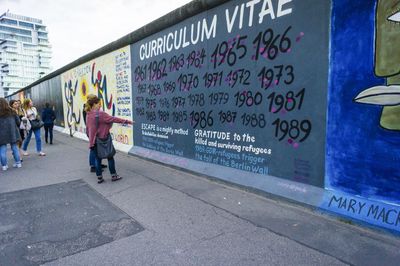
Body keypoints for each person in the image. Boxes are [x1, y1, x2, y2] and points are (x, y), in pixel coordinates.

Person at [85, 95, 133, 183]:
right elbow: (114, 119)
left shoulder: (88, 115)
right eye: (98, 104)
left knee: (97, 159)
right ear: (94, 104)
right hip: (104, 140)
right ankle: (114, 176)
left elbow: (88, 129)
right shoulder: (101, 114)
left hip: (94, 141)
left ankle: (99, 177)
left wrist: (91, 139)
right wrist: (128, 121)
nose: (100, 105)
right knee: (110, 157)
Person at [83, 95, 106, 173]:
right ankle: (93, 165)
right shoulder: (88, 109)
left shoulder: (90, 108)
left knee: (96, 148)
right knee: (93, 148)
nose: (99, 104)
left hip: (94, 131)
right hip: (93, 131)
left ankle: (98, 164)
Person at [0, 98, 22, 170]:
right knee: (15, 148)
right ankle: (18, 163)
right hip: (13, 132)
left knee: (2, 149)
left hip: (1, 134)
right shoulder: (12, 111)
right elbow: (18, 122)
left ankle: (4, 166)